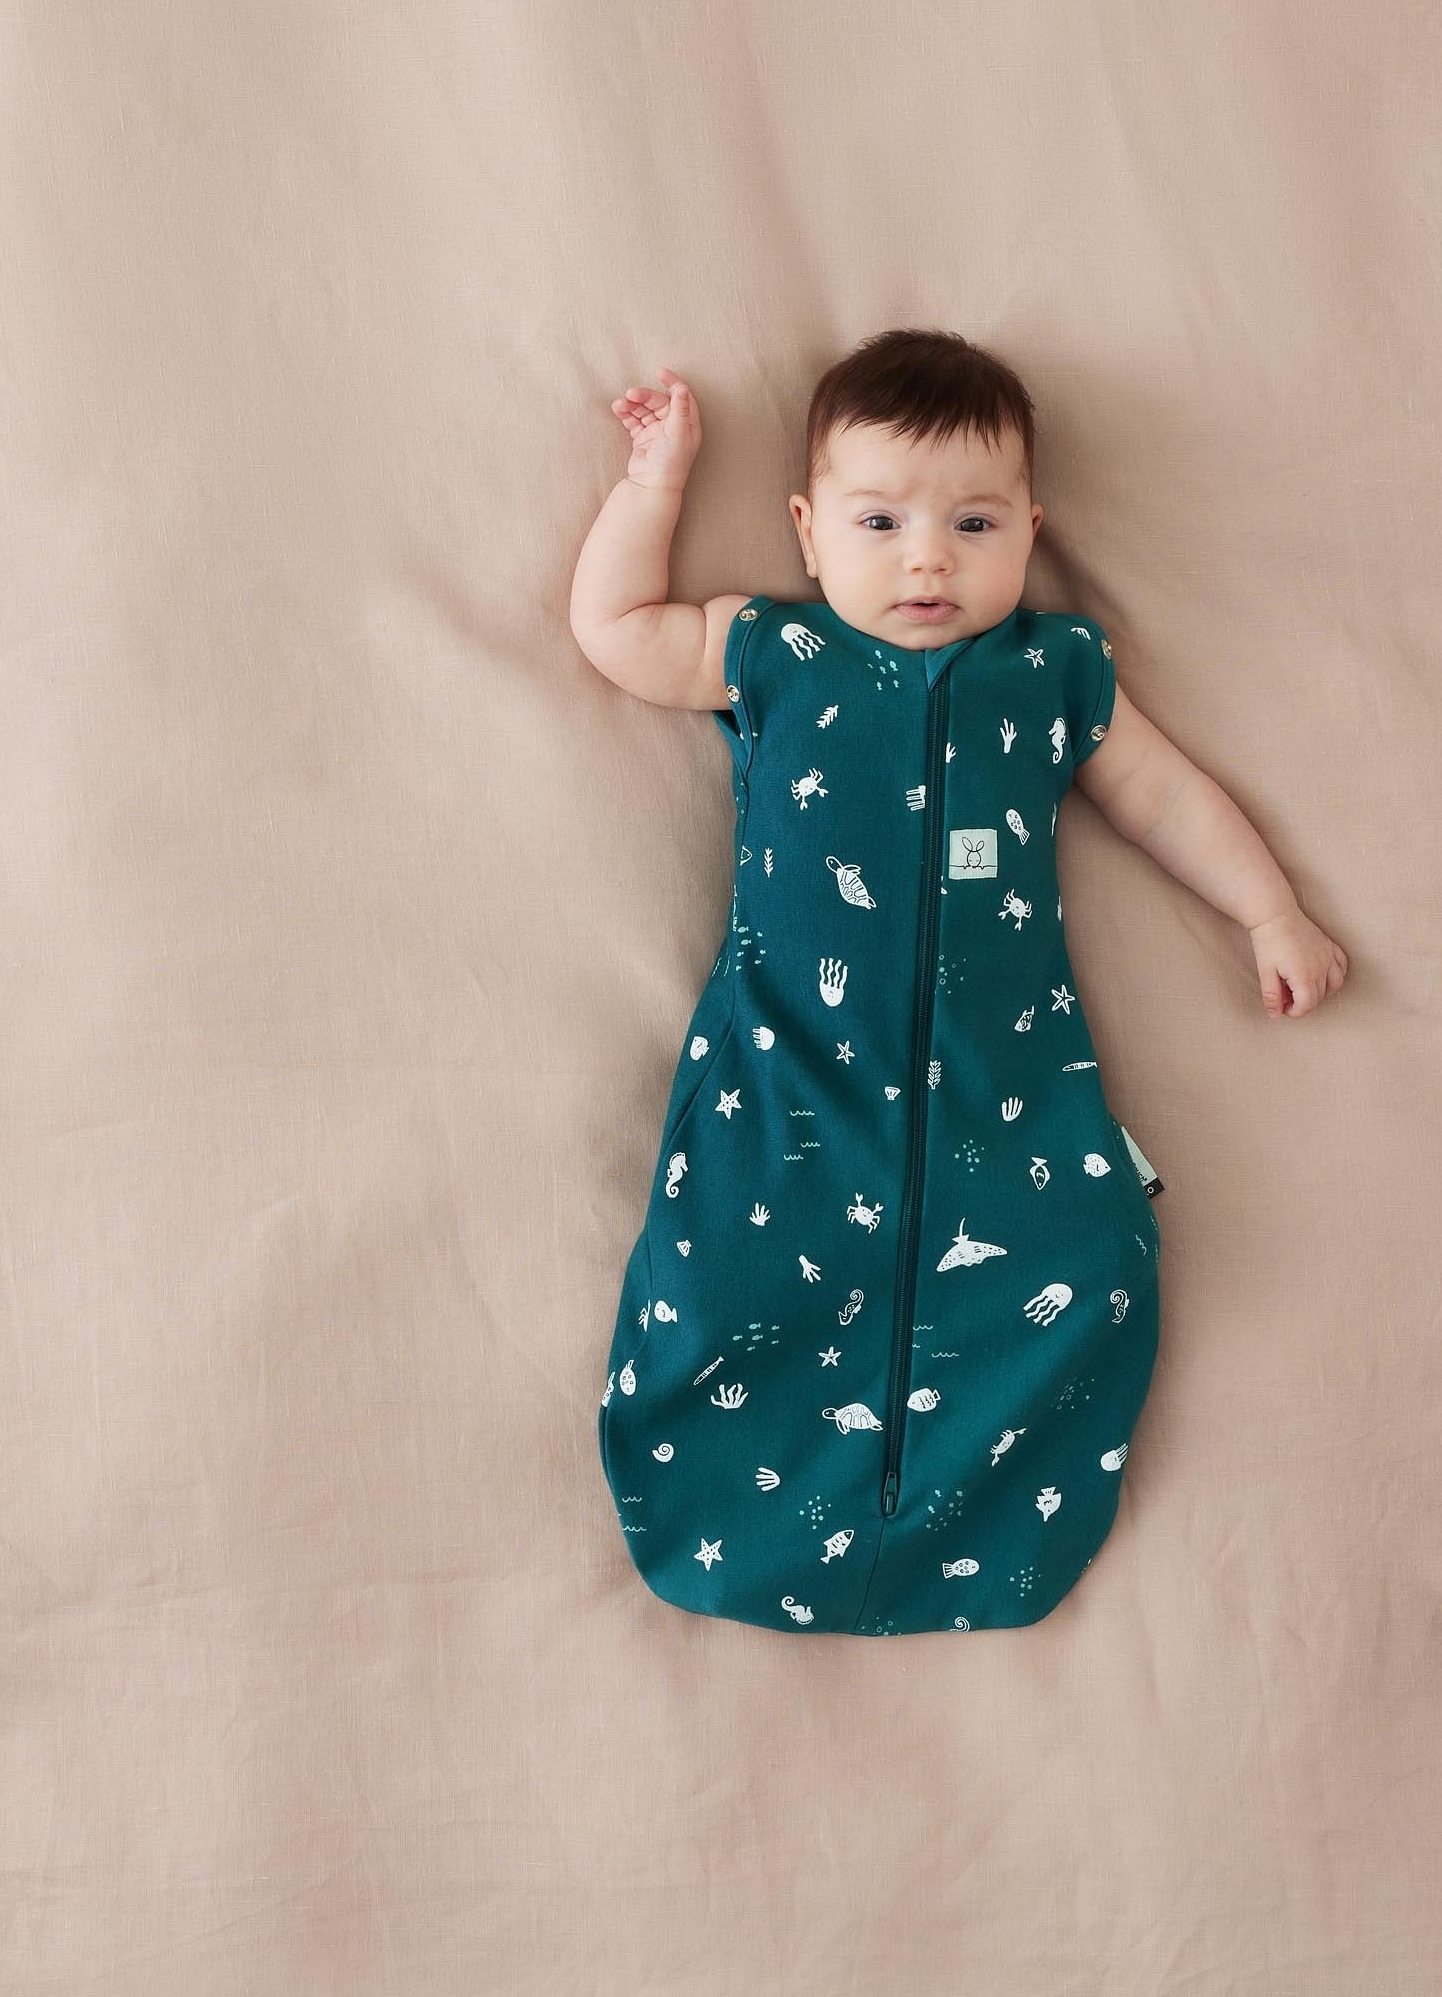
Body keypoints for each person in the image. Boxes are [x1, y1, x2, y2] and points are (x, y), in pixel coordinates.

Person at [570, 328, 1347, 1636]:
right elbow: (618, 629)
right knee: (732, 1279)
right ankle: (736, 1520)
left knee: (1089, 1257)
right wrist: (656, 483)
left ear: (1031, 532)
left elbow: (1163, 796)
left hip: (1008, 1085)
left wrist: (1269, 911)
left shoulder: (1052, 671)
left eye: (974, 524)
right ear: (810, 533)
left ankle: (981, 1530)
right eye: (880, 523)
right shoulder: (772, 651)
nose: (927, 558)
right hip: (787, 1071)